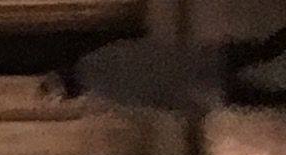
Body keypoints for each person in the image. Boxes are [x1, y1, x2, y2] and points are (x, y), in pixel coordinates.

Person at [55, 23, 286, 111]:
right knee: (262, 52)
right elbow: (145, 47)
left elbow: (151, 99)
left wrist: (187, 106)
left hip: (197, 85)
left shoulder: (107, 91)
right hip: (196, 58)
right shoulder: (101, 54)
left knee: (262, 97)